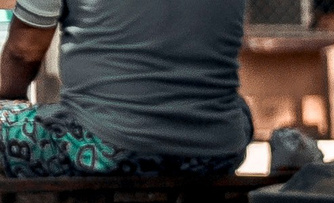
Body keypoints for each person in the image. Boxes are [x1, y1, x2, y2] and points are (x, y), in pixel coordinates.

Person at [0, 0, 250, 179]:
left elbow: (23, 52)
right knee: (241, 109)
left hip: (105, 147)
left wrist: (8, 101)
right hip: (216, 151)